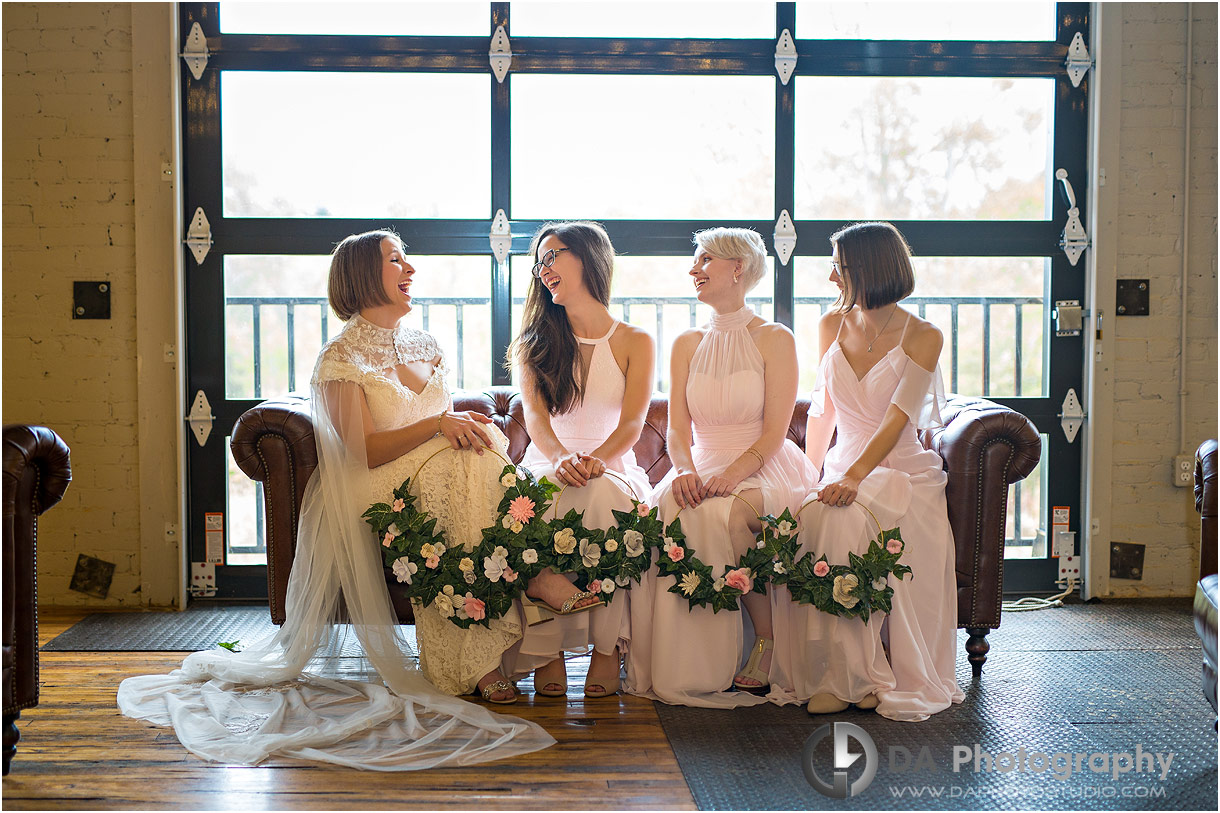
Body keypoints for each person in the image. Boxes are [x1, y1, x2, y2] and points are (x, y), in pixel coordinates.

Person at [117, 230, 555, 769]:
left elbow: (440, 427)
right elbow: (364, 451)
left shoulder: (426, 344)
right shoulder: (339, 360)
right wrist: (442, 425)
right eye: (396, 260)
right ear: (363, 276)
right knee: (454, 468)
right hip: (377, 482)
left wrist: (460, 427)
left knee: (471, 460)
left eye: (407, 259)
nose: (410, 270)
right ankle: (496, 628)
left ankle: (504, 621)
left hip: (434, 466)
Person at [768, 221, 965, 721]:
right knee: (818, 517)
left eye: (839, 267)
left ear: (869, 269)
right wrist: (812, 476)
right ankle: (839, 674)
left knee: (845, 520)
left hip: (899, 472)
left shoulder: (923, 336)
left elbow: (899, 417)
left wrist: (854, 478)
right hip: (841, 468)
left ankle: (872, 676)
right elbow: (823, 412)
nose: (832, 278)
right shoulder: (830, 326)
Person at [626, 227, 816, 708]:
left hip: (764, 463)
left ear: (738, 268)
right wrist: (684, 469)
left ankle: (766, 640)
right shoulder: (686, 343)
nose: (694, 269)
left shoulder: (775, 338)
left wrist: (734, 475)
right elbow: (677, 430)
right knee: (668, 507)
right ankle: (695, 662)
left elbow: (776, 432)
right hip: (700, 463)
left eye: (705, 260)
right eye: (694, 261)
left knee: (730, 515)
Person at [503, 221, 656, 699]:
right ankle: (548, 649)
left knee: (605, 496)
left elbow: (632, 425)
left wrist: (597, 461)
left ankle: (608, 650)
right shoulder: (532, 345)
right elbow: (538, 425)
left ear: (589, 258)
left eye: (554, 256)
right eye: (539, 262)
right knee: (538, 502)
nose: (544, 269)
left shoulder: (636, 340)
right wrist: (564, 459)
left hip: (613, 463)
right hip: (551, 460)